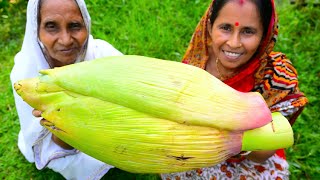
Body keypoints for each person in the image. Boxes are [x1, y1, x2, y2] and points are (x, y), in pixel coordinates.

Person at [161, 0, 308, 179]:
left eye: (248, 31)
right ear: (209, 26)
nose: (234, 42)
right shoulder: (198, 62)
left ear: (265, 35)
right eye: (225, 28)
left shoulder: (275, 80)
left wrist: (229, 136)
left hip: (244, 156)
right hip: (197, 144)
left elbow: (261, 154)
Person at [10, 0, 122, 179]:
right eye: (51, 26)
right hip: (64, 145)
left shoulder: (102, 55)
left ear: (86, 23)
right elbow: (59, 146)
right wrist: (61, 121)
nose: (65, 40)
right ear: (36, 29)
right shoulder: (26, 76)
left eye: (75, 25)